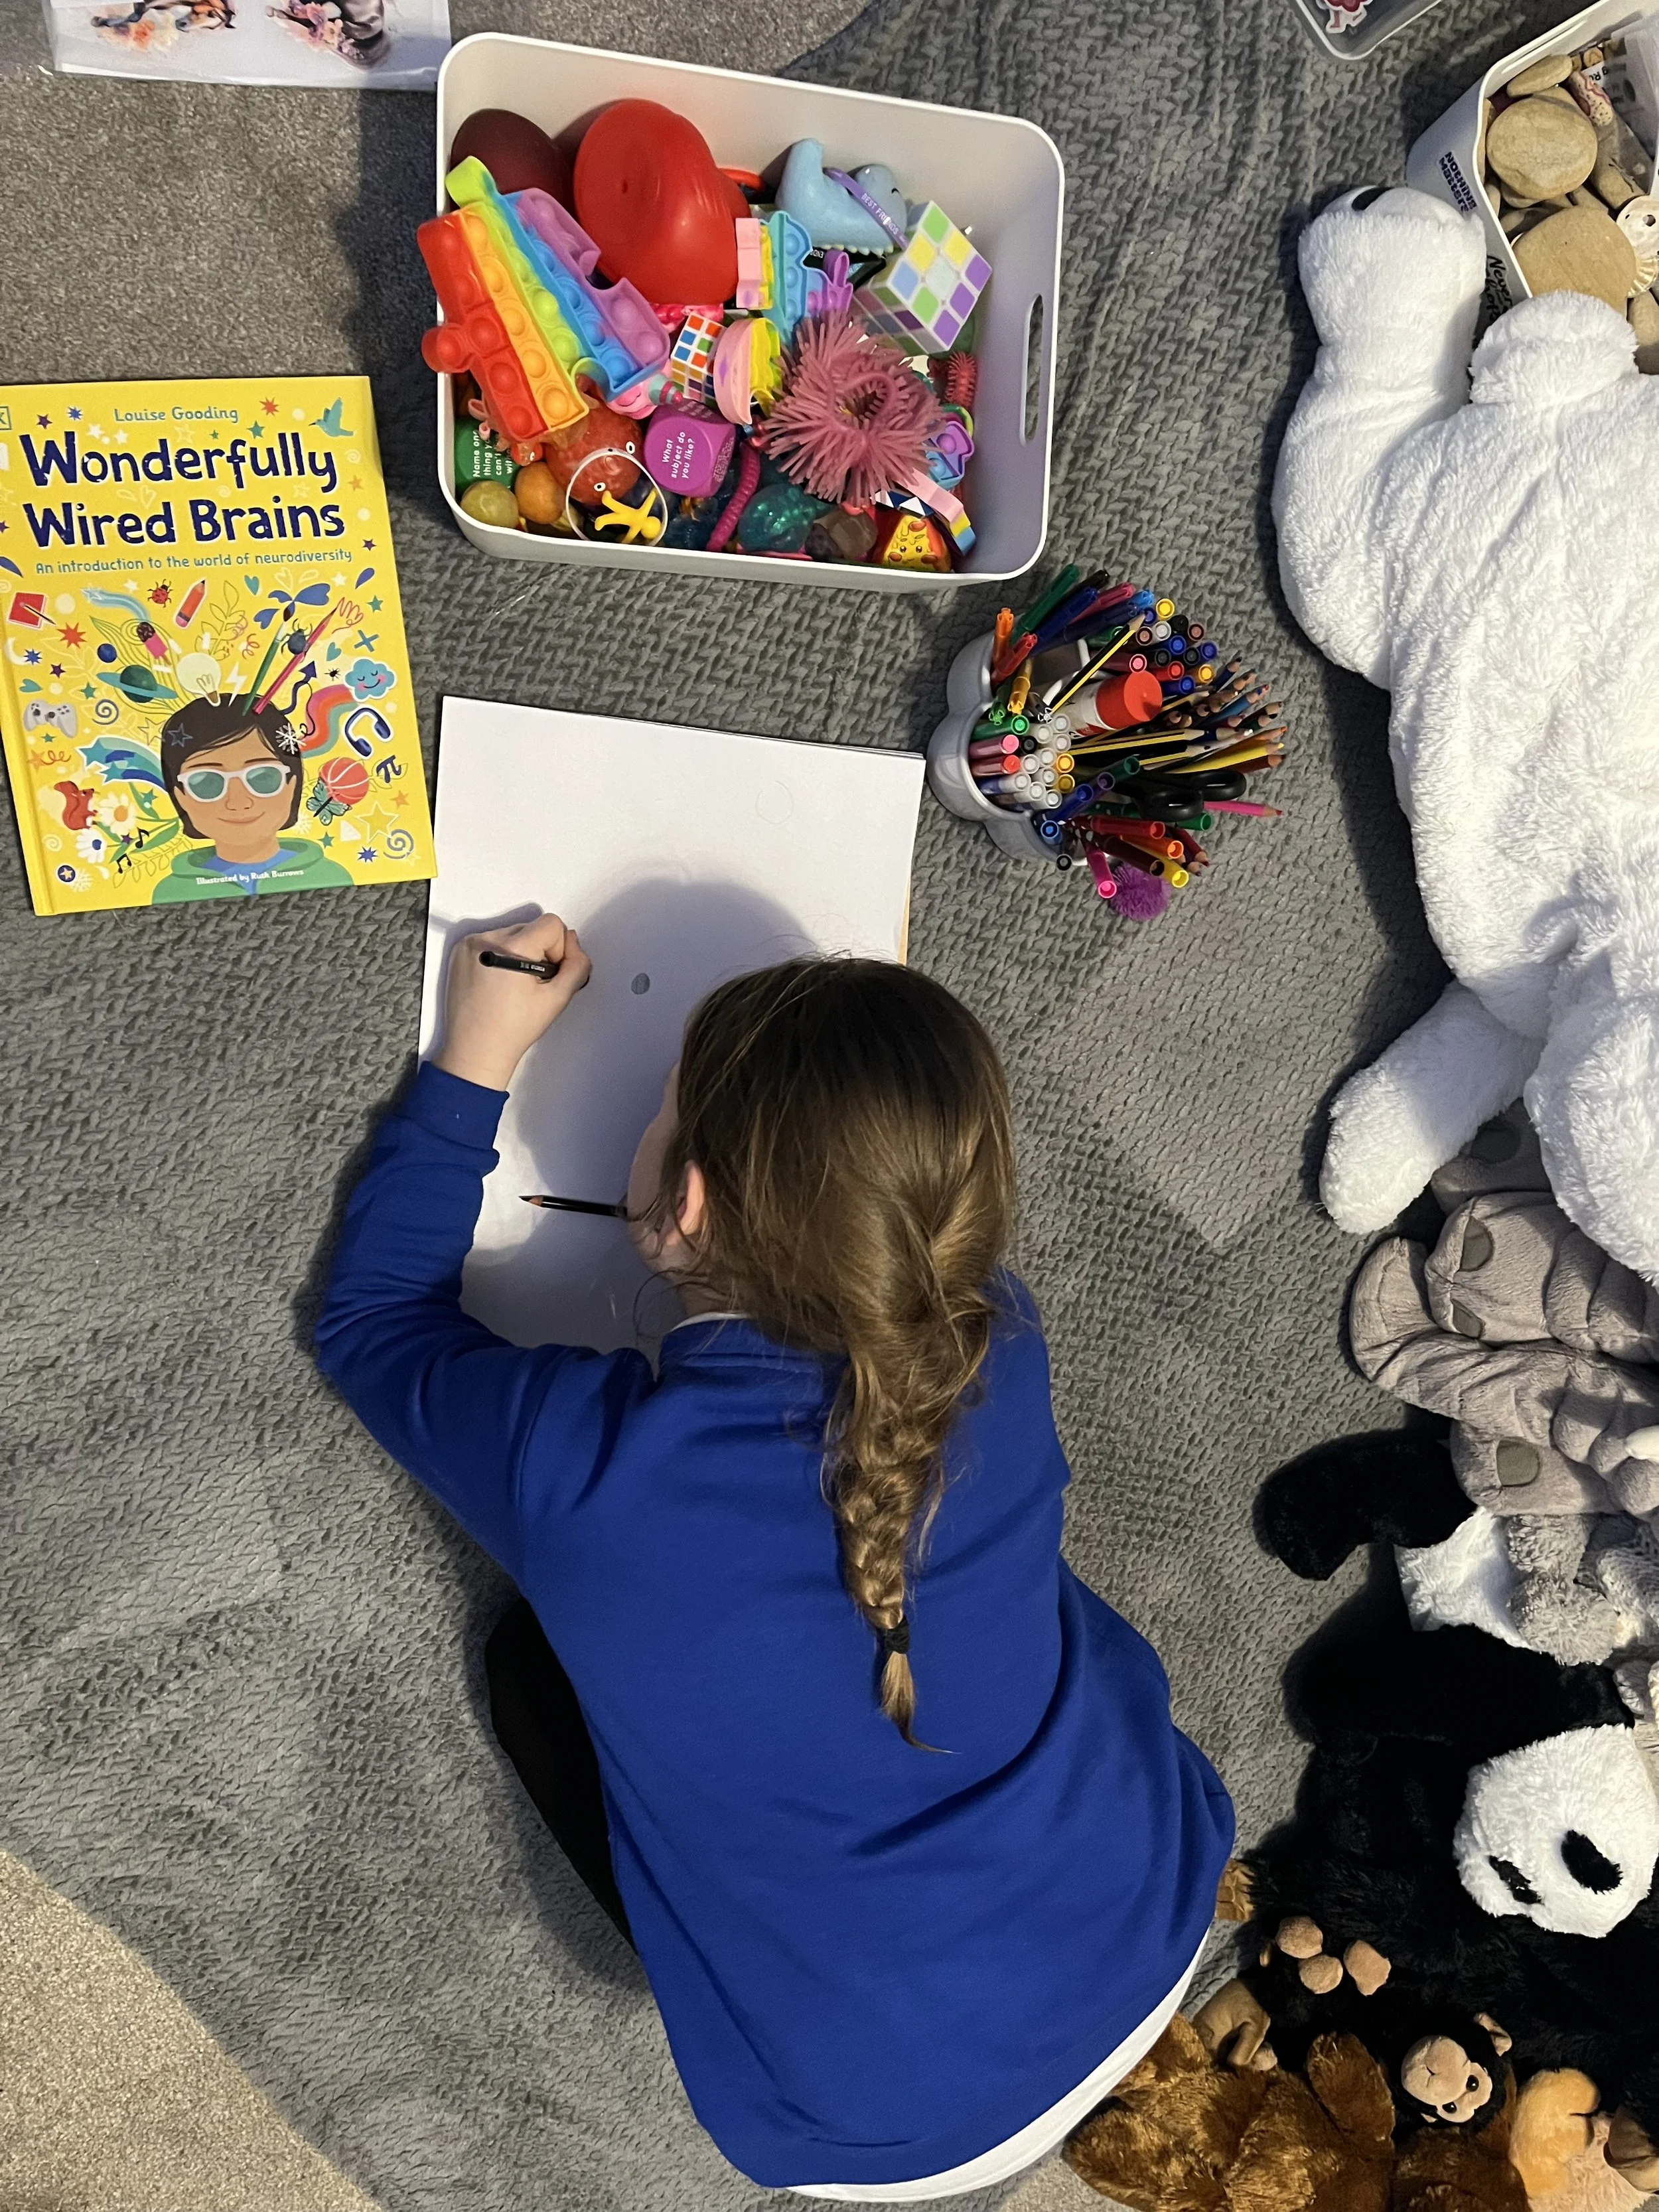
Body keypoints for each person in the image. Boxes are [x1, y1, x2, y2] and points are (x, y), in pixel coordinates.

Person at [315, 915, 1234, 2199]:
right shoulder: (1001, 1335)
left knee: (531, 1660)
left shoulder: (572, 1466)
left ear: (679, 1202)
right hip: (1154, 1918)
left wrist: (475, 1056)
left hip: (856, 2119)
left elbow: (368, 1321)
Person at [151, 696, 352, 905]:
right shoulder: (170, 892)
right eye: (207, 782)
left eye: (263, 777)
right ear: (181, 796)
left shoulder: (331, 875)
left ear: (292, 785)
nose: (238, 802)